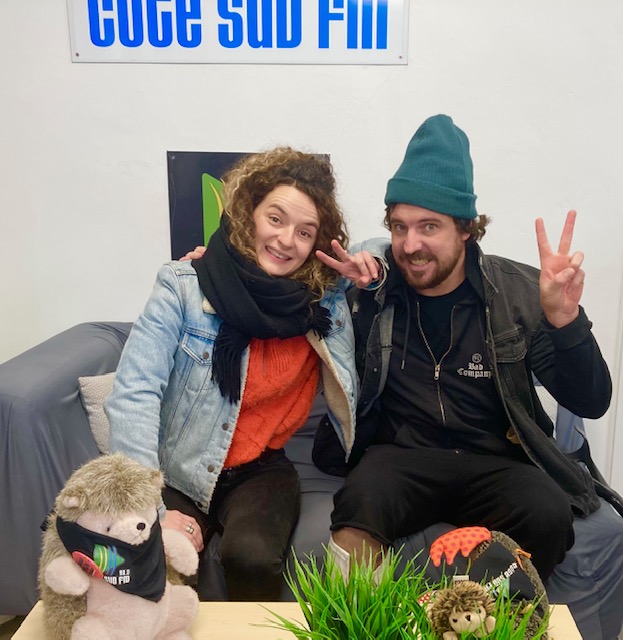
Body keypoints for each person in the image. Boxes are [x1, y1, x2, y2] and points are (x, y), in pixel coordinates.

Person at [312, 114, 612, 584]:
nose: (411, 244)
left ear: (466, 229)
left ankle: (477, 615)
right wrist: (212, 262)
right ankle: (355, 619)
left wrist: (565, 322)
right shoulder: (371, 288)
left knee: (547, 512)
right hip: (401, 457)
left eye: (429, 226)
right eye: (399, 227)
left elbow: (591, 401)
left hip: (498, 461)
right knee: (361, 498)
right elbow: (288, 278)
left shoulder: (520, 292)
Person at [104, 147, 358, 601]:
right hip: (178, 466)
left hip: (261, 470)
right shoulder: (185, 285)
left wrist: (375, 272)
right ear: (247, 213)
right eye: (275, 219)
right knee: (161, 556)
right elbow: (133, 395)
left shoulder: (320, 302)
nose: (286, 240)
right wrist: (152, 510)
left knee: (252, 557)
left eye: (305, 232)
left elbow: (387, 254)